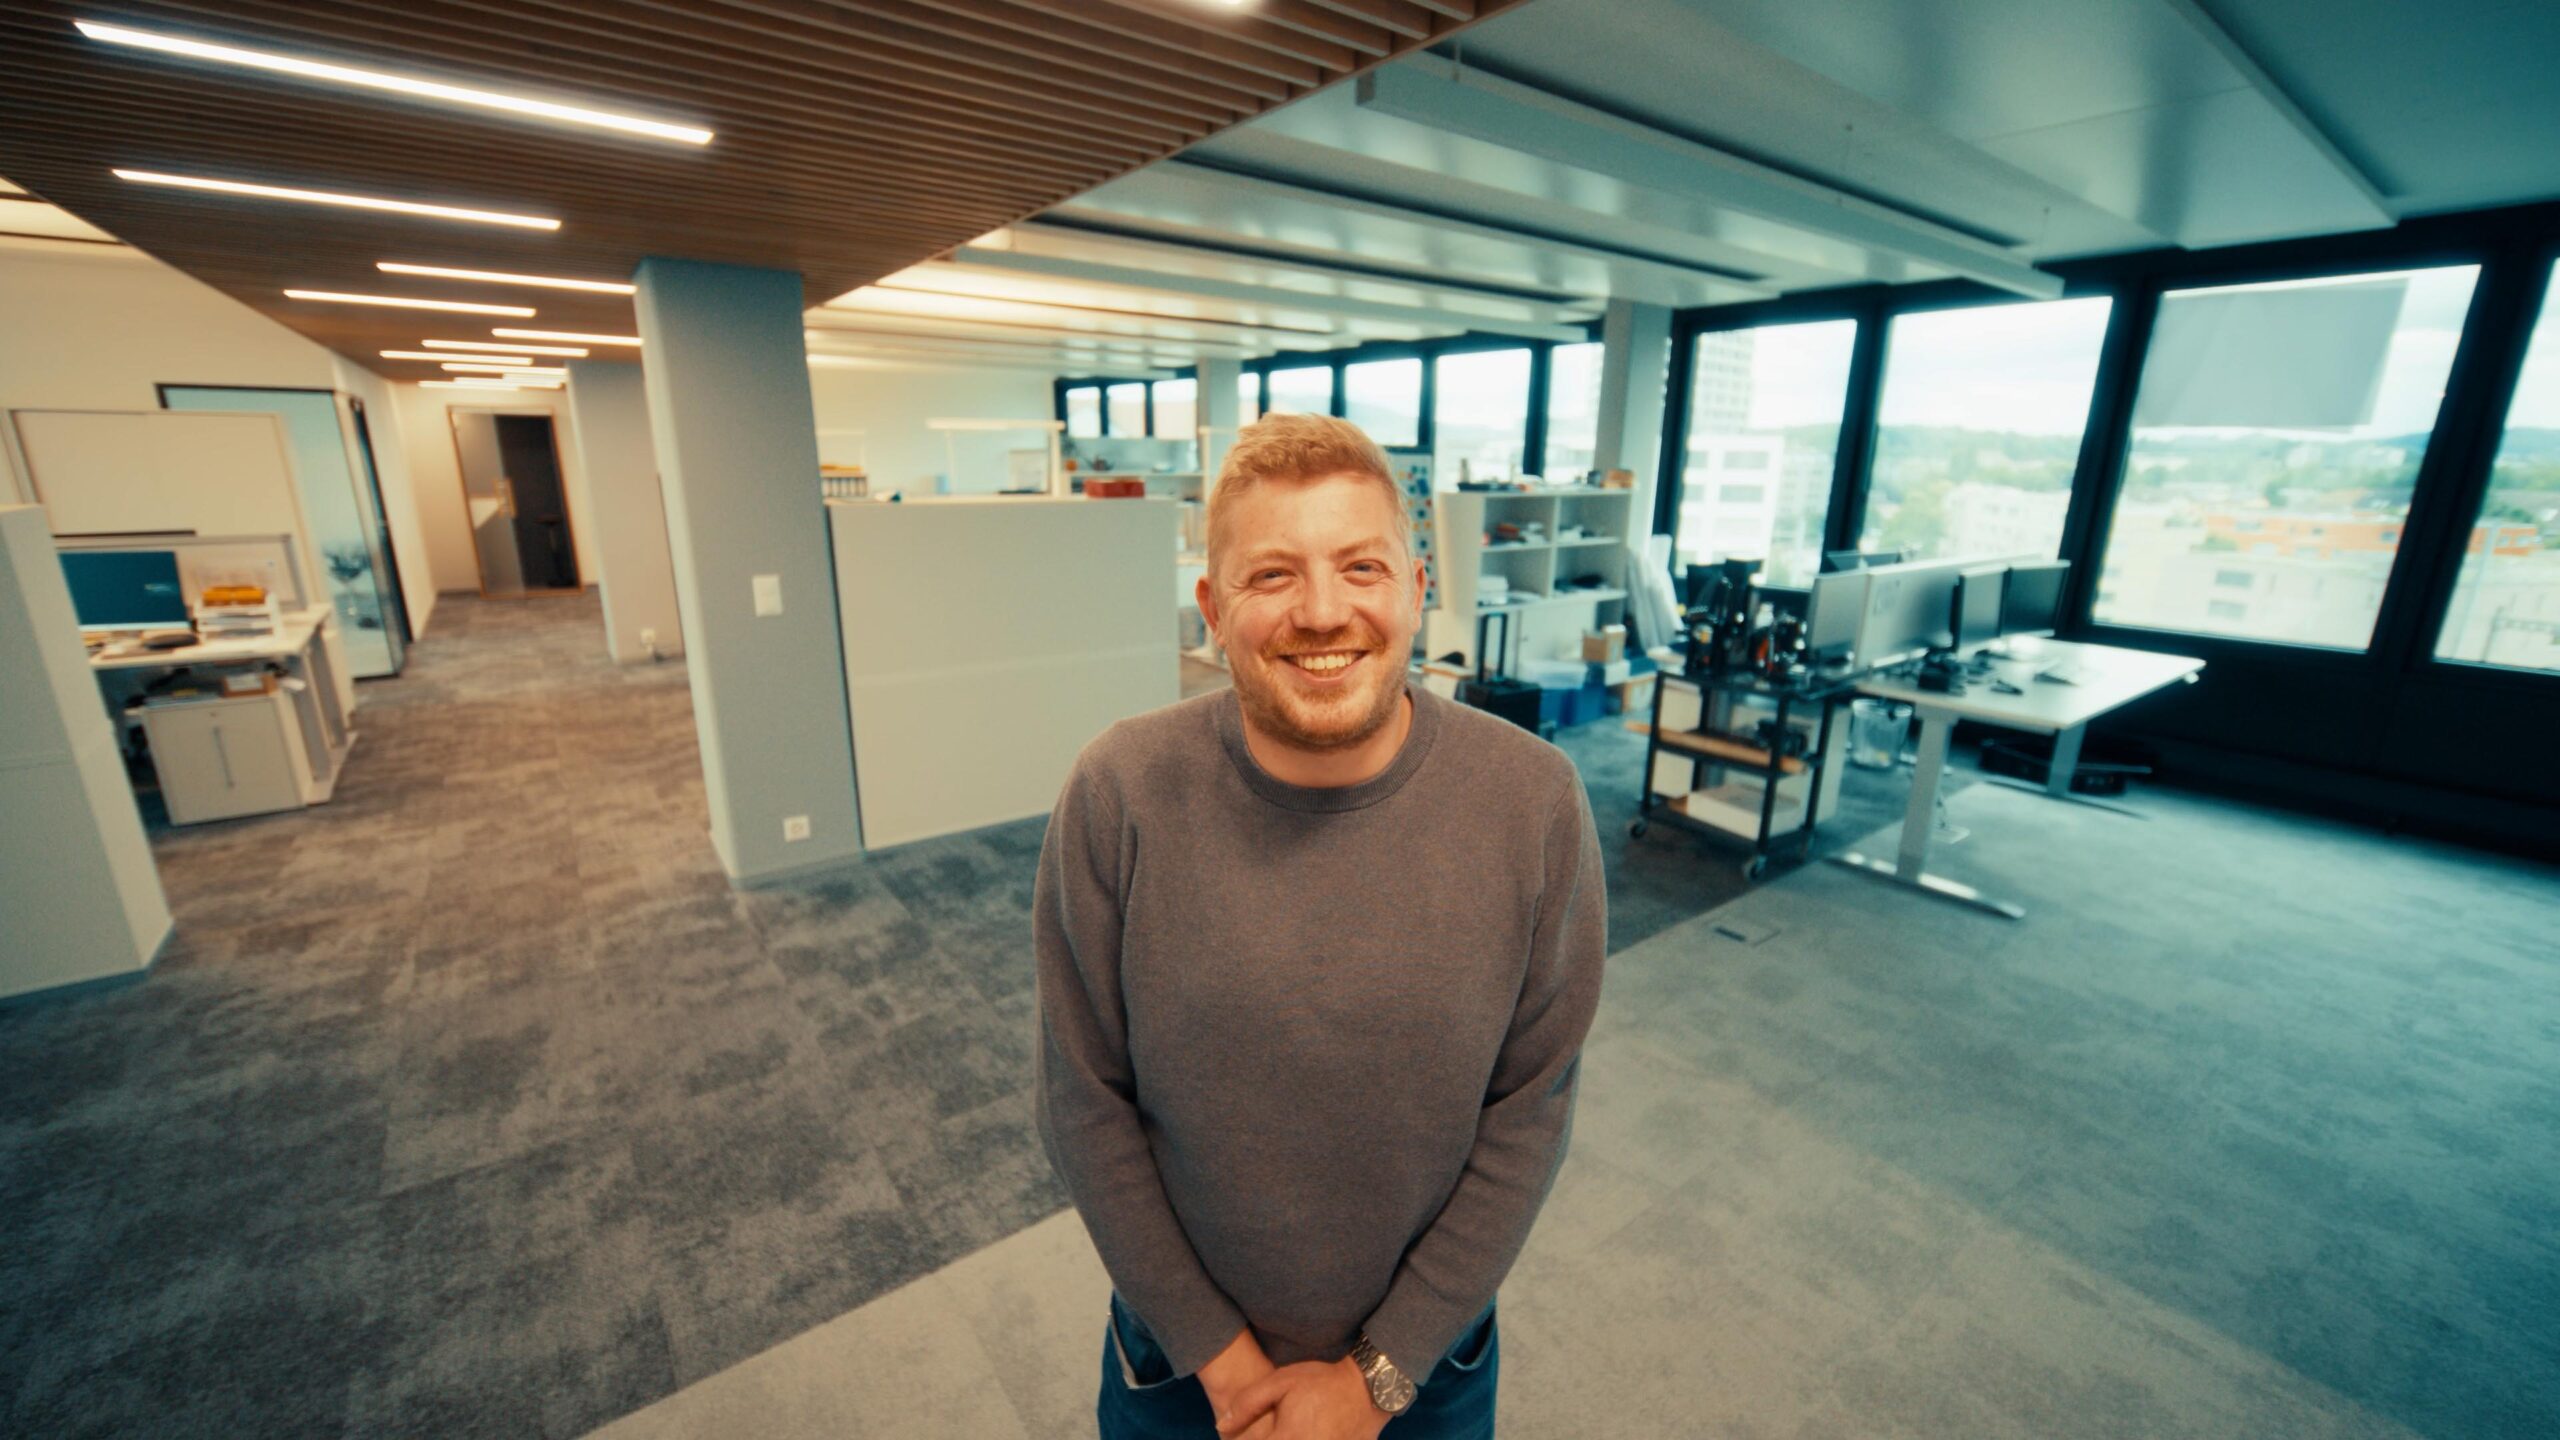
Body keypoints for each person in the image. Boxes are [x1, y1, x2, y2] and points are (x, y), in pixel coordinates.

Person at [1034, 412, 1607, 1440]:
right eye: (1271, 576)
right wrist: (1223, 1367)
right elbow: (1082, 1100)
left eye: (1361, 567)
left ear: (1417, 588)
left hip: (1425, 1369)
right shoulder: (1118, 792)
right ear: (1213, 609)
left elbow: (1531, 1110)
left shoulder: (1533, 802)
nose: (1323, 612)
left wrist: (1378, 1377)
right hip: (1182, 1366)